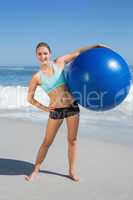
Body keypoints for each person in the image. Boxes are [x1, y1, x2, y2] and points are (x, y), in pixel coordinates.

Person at [25, 42, 106, 182]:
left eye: (45, 53)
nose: (43, 56)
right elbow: (30, 98)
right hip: (56, 111)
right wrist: (45, 108)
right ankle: (35, 170)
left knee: (72, 141)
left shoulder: (60, 62)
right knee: (47, 142)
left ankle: (71, 171)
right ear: (36, 56)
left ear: (50, 53)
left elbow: (78, 52)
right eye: (39, 54)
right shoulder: (37, 77)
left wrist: (96, 46)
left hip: (72, 108)